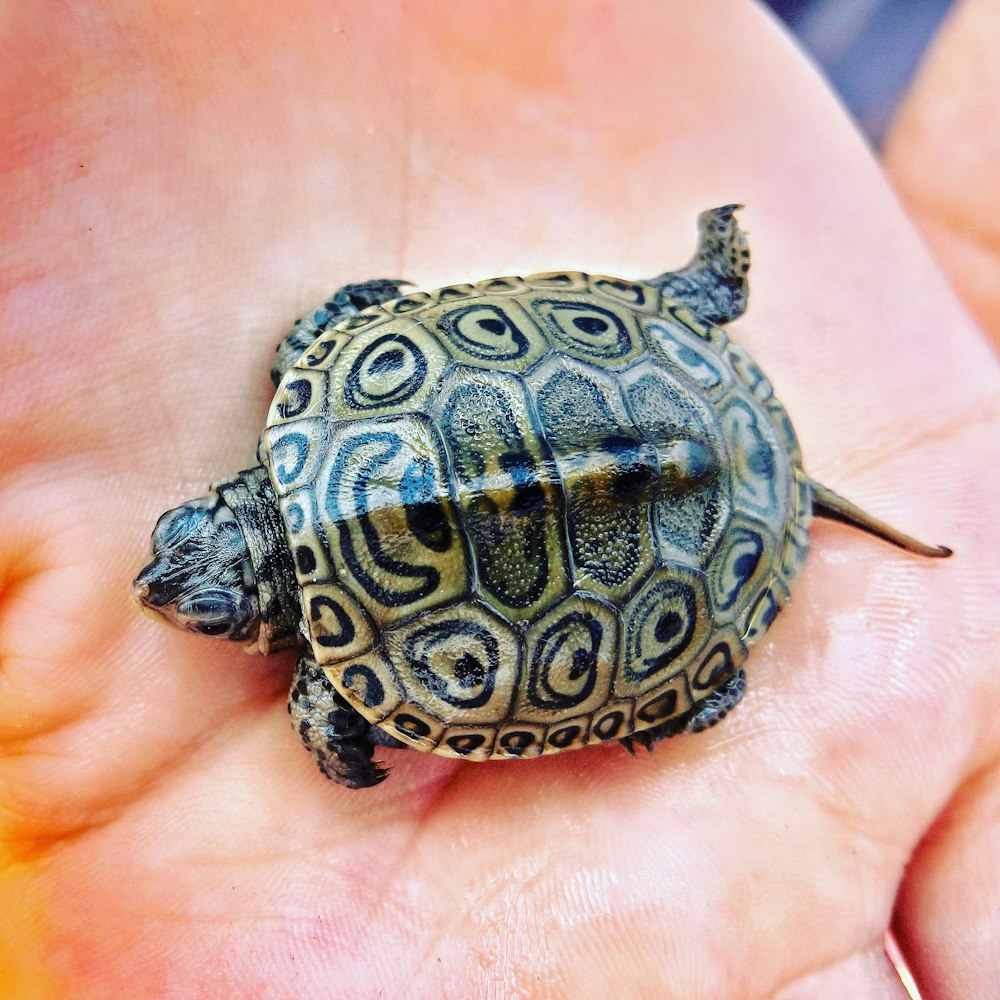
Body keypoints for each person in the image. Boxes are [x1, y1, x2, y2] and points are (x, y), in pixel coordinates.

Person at [1, 3, 996, 997]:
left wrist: (334, 734)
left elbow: (348, 720)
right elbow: (346, 315)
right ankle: (685, 316)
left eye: (192, 570)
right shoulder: (322, 387)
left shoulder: (345, 672)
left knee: (660, 669)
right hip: (653, 421)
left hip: (670, 496)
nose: (163, 584)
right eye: (194, 579)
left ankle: (693, 676)